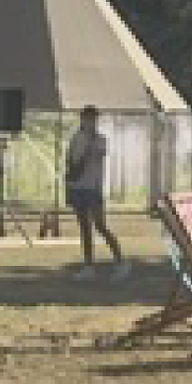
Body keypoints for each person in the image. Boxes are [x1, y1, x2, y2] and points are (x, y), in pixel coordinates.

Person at [65, 105, 124, 275]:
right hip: (78, 187)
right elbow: (72, 162)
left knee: (100, 225)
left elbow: (98, 154)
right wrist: (70, 183)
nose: (90, 122)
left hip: (93, 188)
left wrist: (90, 144)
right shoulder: (76, 138)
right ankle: (88, 266)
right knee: (85, 227)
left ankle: (120, 262)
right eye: (87, 118)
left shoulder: (100, 139)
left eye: (93, 119)